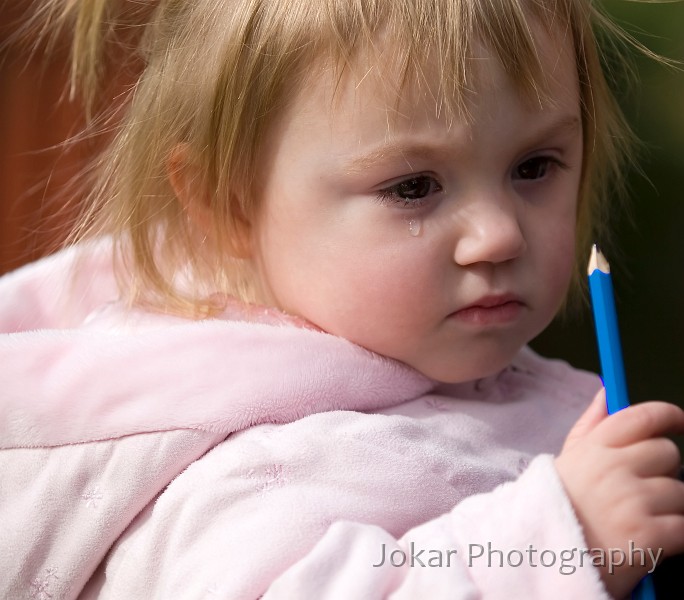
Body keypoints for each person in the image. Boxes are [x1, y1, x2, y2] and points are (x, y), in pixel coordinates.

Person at [1, 0, 683, 598]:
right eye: (414, 187)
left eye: (533, 167)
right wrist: (559, 545)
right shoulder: (256, 462)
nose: (499, 235)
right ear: (229, 204)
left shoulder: (453, 368)